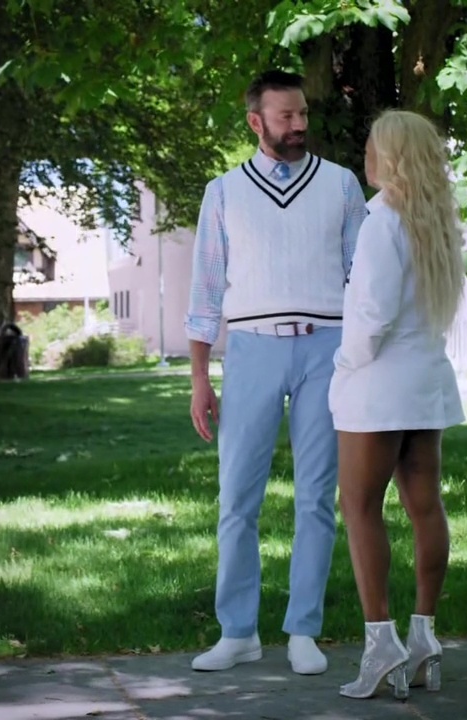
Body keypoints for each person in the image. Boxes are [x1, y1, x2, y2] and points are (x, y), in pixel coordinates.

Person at [184, 69, 369, 676]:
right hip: (251, 349)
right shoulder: (223, 192)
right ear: (255, 122)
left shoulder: (341, 185)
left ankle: (303, 631)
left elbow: (363, 279)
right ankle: (238, 632)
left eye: (303, 114)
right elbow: (205, 290)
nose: (298, 125)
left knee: (317, 498)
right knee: (238, 498)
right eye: (286, 116)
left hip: (327, 349)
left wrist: (363, 358)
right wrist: (200, 378)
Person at [327, 109, 467, 700]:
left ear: (392, 157)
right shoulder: (438, 222)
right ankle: (424, 636)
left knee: (360, 507)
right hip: (426, 382)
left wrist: (344, 364)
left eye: (373, 147)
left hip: (379, 386)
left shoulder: (381, 220)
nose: (366, 155)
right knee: (425, 507)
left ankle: (381, 643)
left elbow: (372, 315)